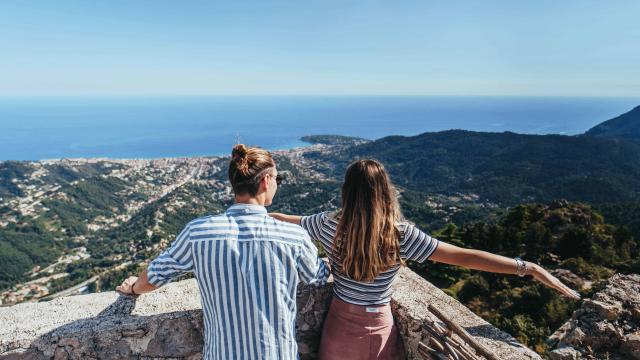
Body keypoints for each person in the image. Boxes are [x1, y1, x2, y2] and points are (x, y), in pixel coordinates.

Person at [270, 159, 580, 360]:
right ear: (384, 193)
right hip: (377, 328)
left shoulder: (328, 225)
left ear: (346, 192)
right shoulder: (400, 236)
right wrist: (526, 268)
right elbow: (466, 258)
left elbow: (286, 220)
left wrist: (254, 216)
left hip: (337, 326)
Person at [116, 144, 330, 360]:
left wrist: (134, 288)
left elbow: (155, 276)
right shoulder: (293, 237)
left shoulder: (198, 232)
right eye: (277, 179)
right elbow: (318, 277)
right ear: (266, 181)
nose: (277, 184)